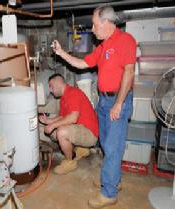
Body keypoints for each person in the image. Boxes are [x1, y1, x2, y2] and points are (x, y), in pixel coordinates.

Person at [51, 5, 137, 208]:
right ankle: (113, 179)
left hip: (118, 101)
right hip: (104, 101)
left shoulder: (126, 40)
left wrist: (118, 103)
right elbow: (83, 64)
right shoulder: (103, 46)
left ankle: (109, 192)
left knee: (113, 148)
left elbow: (129, 73)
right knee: (107, 145)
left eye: (95, 24)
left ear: (107, 23)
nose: (92, 29)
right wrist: (62, 53)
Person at [39, 73, 98, 175]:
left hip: (90, 133)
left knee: (61, 132)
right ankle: (82, 149)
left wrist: (53, 125)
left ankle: (69, 162)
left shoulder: (73, 93)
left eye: (51, 87)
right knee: (55, 132)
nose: (51, 91)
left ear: (57, 84)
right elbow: (62, 117)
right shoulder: (63, 98)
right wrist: (48, 121)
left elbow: (73, 118)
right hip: (81, 129)